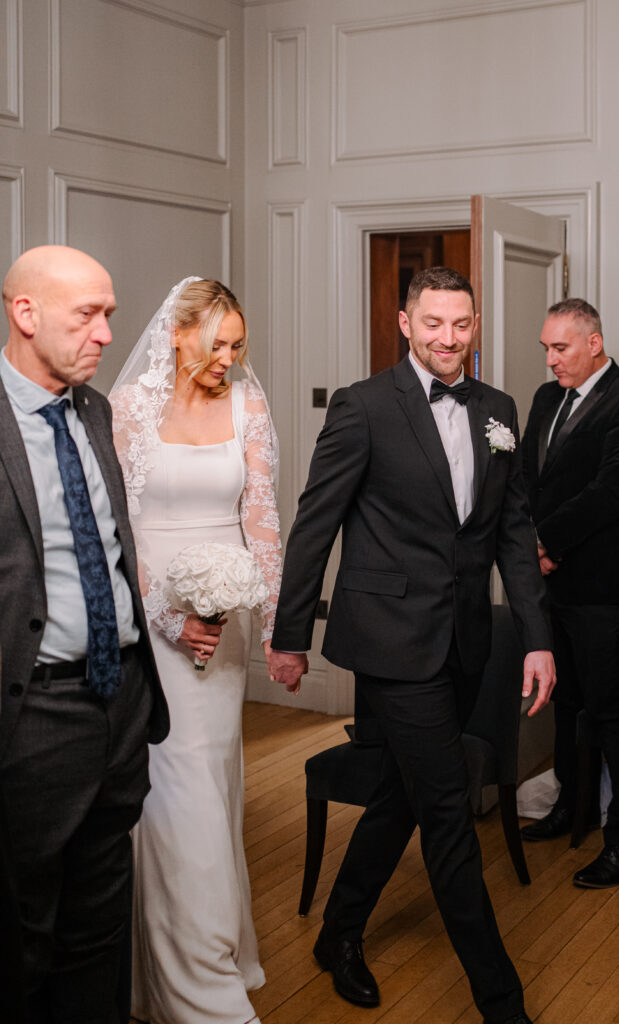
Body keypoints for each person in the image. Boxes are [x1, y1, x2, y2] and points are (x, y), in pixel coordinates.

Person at [269, 267, 555, 1024]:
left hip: (464, 641)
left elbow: (513, 532)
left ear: (474, 324)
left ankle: (337, 934)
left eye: (460, 325)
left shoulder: (496, 408)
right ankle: (502, 1003)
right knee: (448, 814)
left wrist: (535, 638)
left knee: (399, 797)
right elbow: (314, 526)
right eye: (433, 324)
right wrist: (289, 636)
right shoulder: (362, 407)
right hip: (392, 645)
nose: (448, 340)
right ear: (404, 323)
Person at [0, 245, 169, 1024]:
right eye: (88, 315)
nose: (107, 333)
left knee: (100, 922)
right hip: (33, 714)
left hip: (121, 701)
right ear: (24, 314)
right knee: (24, 929)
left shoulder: (93, 411)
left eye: (109, 313)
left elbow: (110, 546)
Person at [110, 278, 281, 1024]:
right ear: (177, 334)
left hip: (227, 622)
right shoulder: (127, 410)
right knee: (175, 796)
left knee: (213, 786)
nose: (229, 357)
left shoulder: (248, 404)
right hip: (151, 619)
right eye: (216, 343)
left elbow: (262, 518)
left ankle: (212, 948)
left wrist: (274, 626)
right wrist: (169, 618)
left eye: (239, 344)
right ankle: (197, 986)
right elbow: (117, 528)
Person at [520, 298, 619, 889]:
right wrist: (530, 544)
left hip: (604, 587)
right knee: (568, 703)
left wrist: (547, 541)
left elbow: (612, 494)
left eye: (561, 348)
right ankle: (569, 807)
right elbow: (531, 476)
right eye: (547, 349)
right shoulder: (547, 398)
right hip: (553, 583)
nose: (551, 360)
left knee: (611, 710)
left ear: (594, 343)